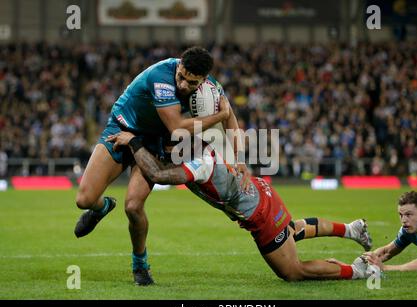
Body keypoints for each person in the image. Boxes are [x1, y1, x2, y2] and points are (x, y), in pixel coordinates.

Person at [74, 46, 250, 286]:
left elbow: (230, 117)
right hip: (122, 127)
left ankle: (140, 264)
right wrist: (218, 117)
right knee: (84, 200)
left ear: (203, 79)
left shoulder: (211, 87)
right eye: (181, 77)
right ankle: (103, 207)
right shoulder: (161, 77)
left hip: (154, 143)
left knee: (134, 207)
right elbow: (178, 127)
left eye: (191, 82)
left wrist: (239, 158)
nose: (183, 85)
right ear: (179, 66)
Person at [106, 131, 374, 282]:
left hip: (259, 214)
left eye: (166, 145)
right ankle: (351, 229)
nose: (163, 149)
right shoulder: (197, 147)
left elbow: (158, 175)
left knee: (293, 271)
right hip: (261, 193)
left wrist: (134, 143)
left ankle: (357, 271)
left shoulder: (198, 162)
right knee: (290, 231)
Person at [363, 191, 417, 272]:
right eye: (401, 215)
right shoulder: (408, 229)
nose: (403, 220)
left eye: (408, 214)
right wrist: (368, 259)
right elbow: (387, 252)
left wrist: (384, 268)